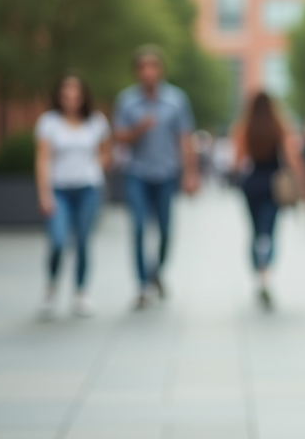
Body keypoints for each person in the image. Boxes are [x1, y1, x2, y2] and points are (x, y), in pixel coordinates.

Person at [113, 46, 198, 309]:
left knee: (164, 230)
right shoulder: (126, 101)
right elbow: (118, 137)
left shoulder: (176, 100)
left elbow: (185, 139)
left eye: (153, 67)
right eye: (143, 68)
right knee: (138, 227)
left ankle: (156, 272)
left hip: (167, 173)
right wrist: (139, 129)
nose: (148, 72)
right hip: (137, 172)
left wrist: (191, 174)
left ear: (160, 70)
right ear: (137, 72)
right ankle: (142, 284)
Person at [34, 73, 111, 319]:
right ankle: (51, 287)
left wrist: (97, 169)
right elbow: (43, 160)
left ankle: (81, 292)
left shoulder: (96, 122)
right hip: (59, 190)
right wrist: (44, 194)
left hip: (88, 189)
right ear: (59, 95)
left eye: (75, 92)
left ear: (83, 96)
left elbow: (106, 151)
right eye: (66, 92)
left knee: (82, 242)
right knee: (57, 242)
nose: (71, 97)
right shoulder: (49, 123)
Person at [234, 92, 305, 309]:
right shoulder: (280, 127)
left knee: (254, 231)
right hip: (273, 184)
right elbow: (292, 159)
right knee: (269, 232)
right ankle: (265, 273)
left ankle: (258, 274)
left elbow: (238, 161)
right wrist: (304, 184)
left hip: (251, 184)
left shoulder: (243, 128)